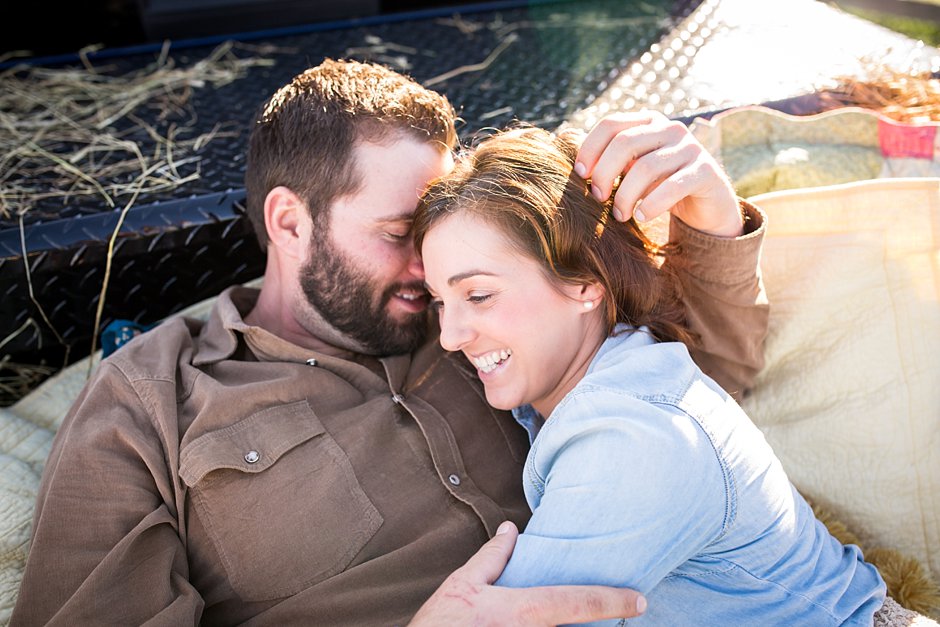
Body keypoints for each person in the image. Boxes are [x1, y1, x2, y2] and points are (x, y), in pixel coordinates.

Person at [11, 59, 768, 625]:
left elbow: (699, 382)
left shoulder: (482, 310)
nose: (430, 266)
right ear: (287, 221)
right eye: (401, 235)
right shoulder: (150, 403)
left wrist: (712, 207)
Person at [414, 126, 886, 626]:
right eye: (440, 302)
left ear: (583, 284)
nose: (449, 336)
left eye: (479, 295)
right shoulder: (614, 373)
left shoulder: (635, 433)